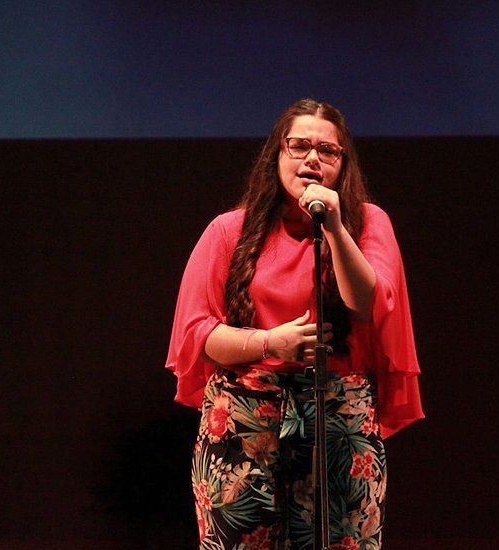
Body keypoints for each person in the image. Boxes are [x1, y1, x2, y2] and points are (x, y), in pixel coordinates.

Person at [165, 99, 423, 549]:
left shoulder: (368, 224)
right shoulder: (229, 231)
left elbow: (367, 302)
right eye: (299, 145)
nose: (312, 158)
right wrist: (269, 342)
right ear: (276, 155)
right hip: (244, 431)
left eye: (328, 150)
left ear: (343, 165)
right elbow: (198, 334)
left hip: (338, 426)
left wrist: (336, 228)